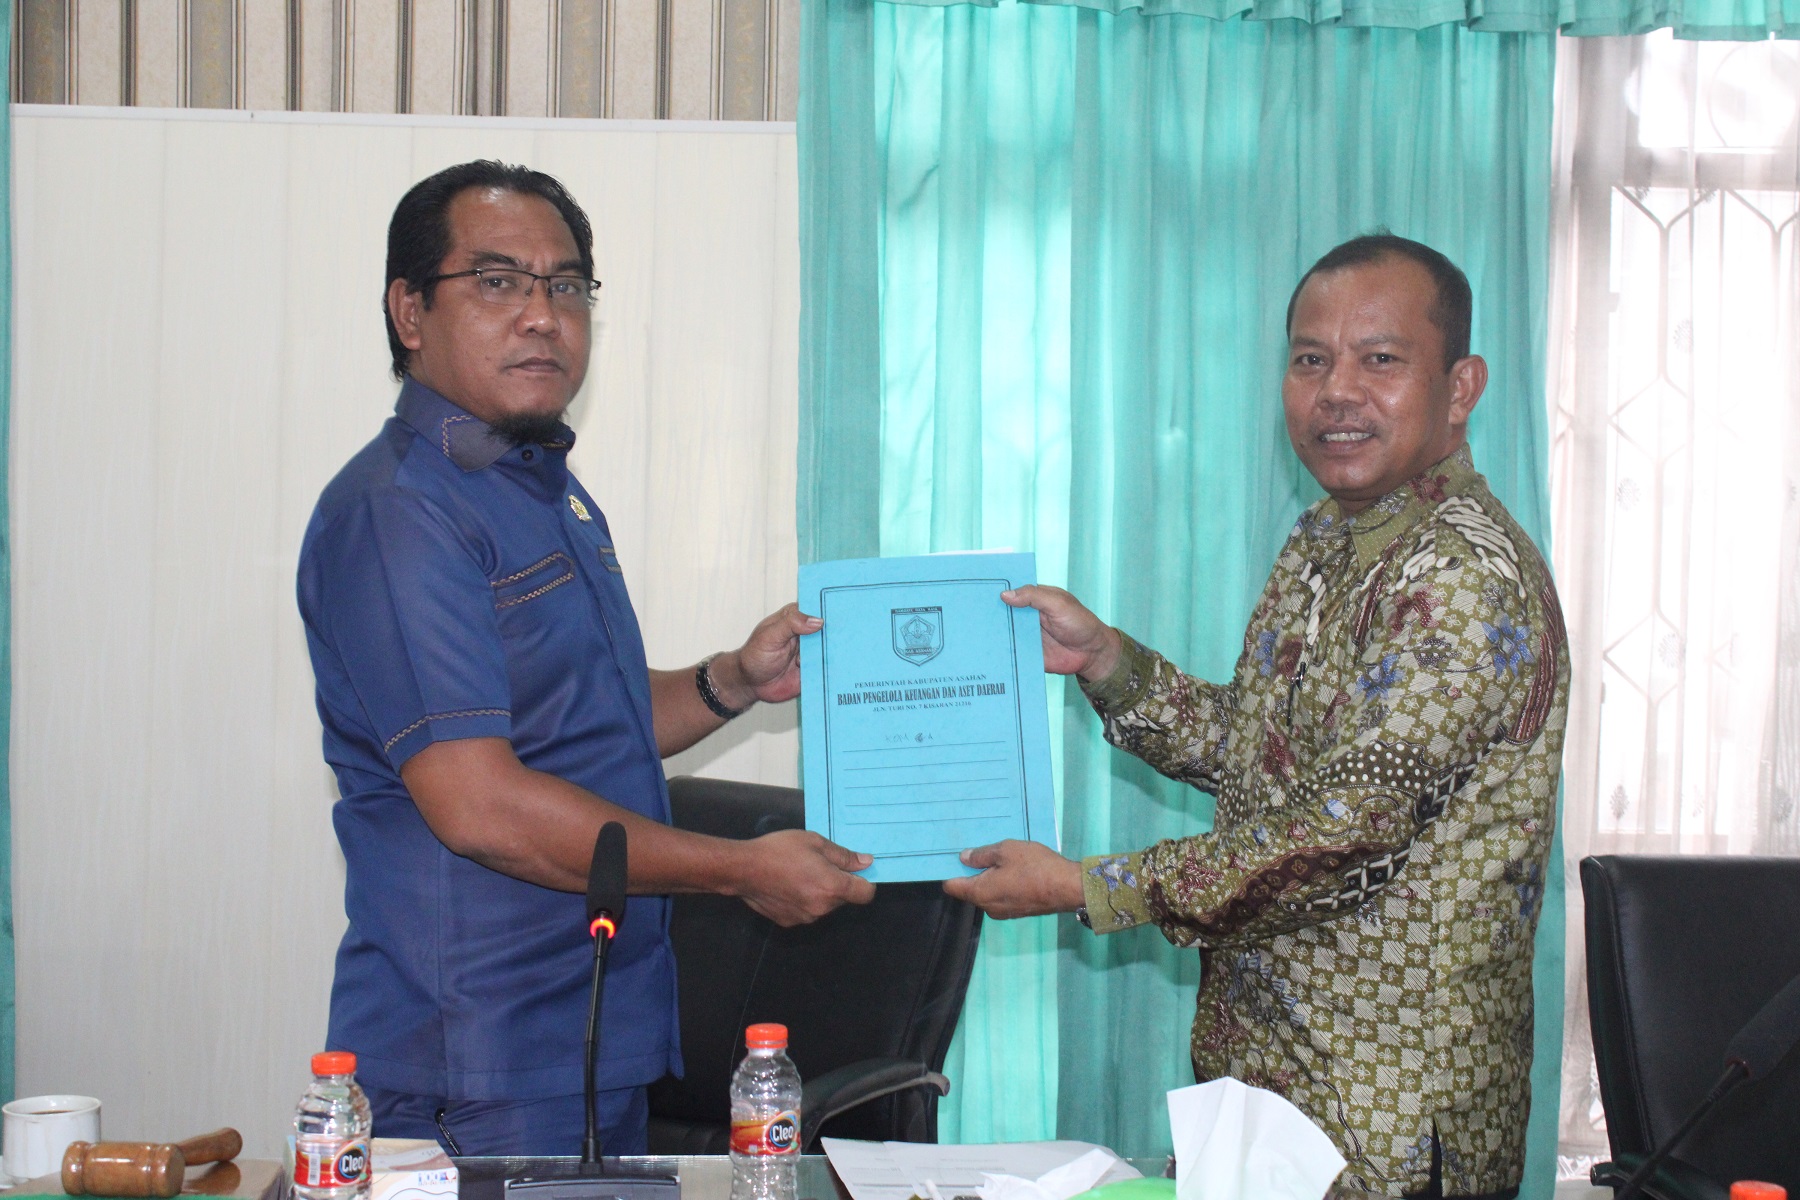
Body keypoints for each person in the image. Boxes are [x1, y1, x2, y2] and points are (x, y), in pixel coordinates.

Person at [944, 235, 1569, 1200]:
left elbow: (1343, 827)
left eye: (1380, 359)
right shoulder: (1327, 536)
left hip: (1384, 1128)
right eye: (1311, 359)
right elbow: (1266, 757)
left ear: (1461, 387)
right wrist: (1108, 663)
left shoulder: (1461, 577)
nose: (1337, 391)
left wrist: (1085, 886)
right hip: (1268, 1096)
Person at [296, 160, 874, 1157]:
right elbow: (481, 806)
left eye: (566, 286)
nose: (542, 315)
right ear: (409, 311)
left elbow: (578, 718)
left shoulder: (541, 486)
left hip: (595, 1034)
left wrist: (731, 682)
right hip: (479, 1059)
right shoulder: (400, 514)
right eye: (496, 281)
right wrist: (740, 870)